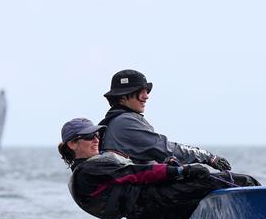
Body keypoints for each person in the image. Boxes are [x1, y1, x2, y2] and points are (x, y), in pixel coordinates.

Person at [58, 118, 259, 219]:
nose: (95, 139)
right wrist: (181, 170)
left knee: (206, 182)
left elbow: (134, 172)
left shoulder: (89, 168)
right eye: (88, 136)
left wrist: (171, 167)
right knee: (239, 181)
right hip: (152, 202)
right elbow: (135, 173)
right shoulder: (89, 170)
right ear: (72, 144)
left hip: (148, 204)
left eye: (96, 135)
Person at [99, 69, 232, 170]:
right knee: (242, 181)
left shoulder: (115, 120)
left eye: (147, 91)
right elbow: (165, 148)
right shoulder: (125, 122)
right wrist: (208, 157)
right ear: (122, 96)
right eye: (141, 92)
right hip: (140, 194)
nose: (146, 97)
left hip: (133, 190)